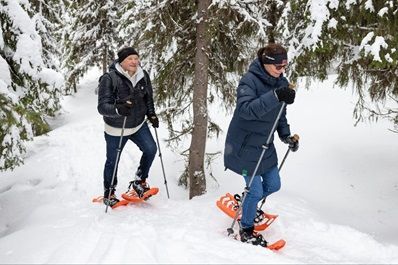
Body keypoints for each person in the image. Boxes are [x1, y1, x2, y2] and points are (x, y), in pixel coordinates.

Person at [224, 43, 299, 246]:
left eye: (285, 66)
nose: (282, 71)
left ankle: (247, 202)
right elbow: (246, 110)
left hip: (265, 145)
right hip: (244, 146)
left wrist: (286, 137)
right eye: (278, 67)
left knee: (274, 184)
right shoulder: (249, 81)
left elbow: (280, 115)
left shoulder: (281, 82)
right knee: (255, 191)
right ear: (266, 63)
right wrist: (275, 96)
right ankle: (246, 229)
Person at [97, 47, 159, 207]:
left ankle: (140, 181)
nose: (134, 61)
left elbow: (148, 99)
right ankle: (109, 193)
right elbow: (102, 107)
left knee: (151, 149)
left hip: (138, 125)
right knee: (113, 161)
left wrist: (151, 114)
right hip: (116, 128)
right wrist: (119, 109)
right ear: (122, 61)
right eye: (130, 59)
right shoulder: (109, 78)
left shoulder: (143, 75)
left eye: (136, 58)